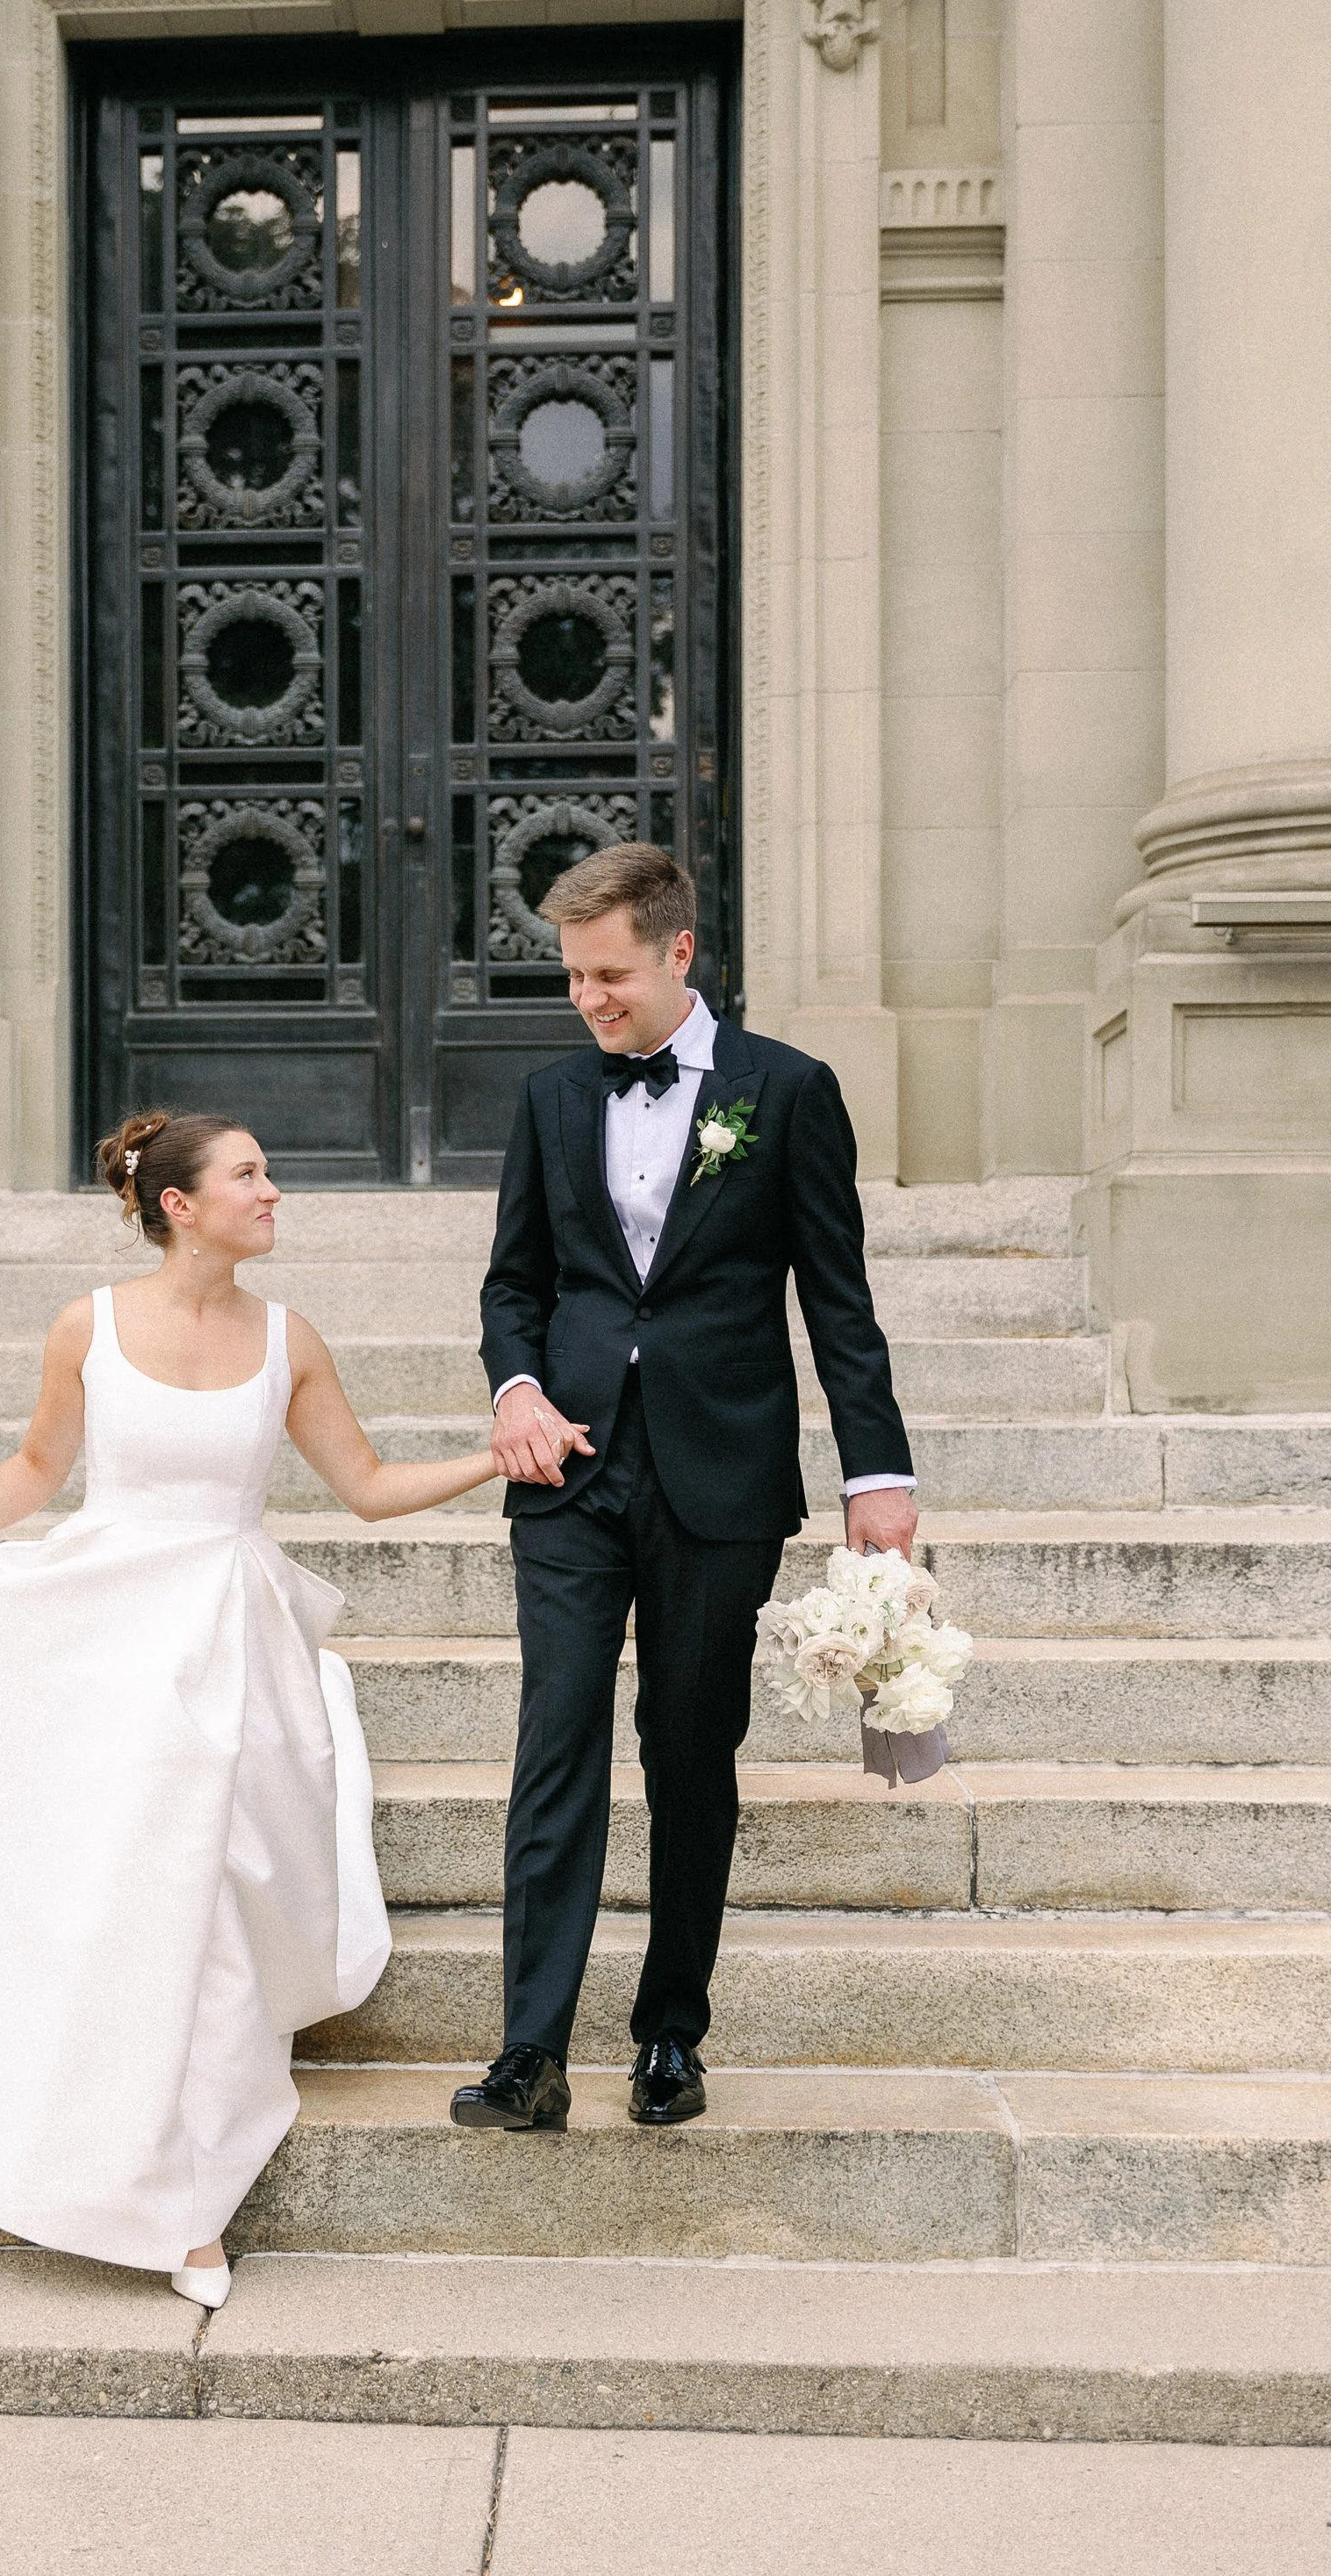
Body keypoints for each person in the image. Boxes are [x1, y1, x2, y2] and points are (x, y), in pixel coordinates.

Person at [0, 1112, 498, 2309]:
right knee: (139, 1879)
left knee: (218, 1886)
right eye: (250, 1176)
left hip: (229, 1629)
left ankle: (186, 2186)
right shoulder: (91, 1326)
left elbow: (367, 1489)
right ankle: (146, 2180)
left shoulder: (291, 1340)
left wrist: (496, 1461)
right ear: (180, 1205)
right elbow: (35, 1467)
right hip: (105, 1614)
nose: (274, 1193)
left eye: (267, 1174)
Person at [453, 843, 916, 2137]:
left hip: (722, 1472)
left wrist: (875, 1472)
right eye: (572, 978)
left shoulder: (789, 1092)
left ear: (678, 954)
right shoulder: (551, 1098)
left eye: (608, 975)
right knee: (557, 1742)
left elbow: (838, 1297)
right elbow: (515, 1284)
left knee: (690, 1751)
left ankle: (669, 2033)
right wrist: (516, 1389)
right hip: (572, 1471)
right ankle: (528, 2050)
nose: (587, 1001)